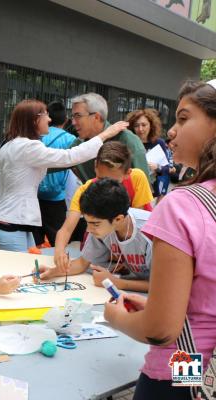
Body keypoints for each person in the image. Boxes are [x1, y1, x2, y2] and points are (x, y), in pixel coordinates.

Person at [104, 80, 216, 398]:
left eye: (183, 118)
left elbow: (161, 329)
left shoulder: (184, 204)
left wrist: (117, 318)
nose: (171, 132)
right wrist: (157, 305)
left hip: (187, 367)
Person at [0, 99, 128, 253]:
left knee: (25, 267)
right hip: (12, 223)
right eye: (46, 115)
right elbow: (69, 157)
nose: (49, 119)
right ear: (35, 120)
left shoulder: (10, 145)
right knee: (20, 272)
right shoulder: (28, 147)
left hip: (9, 221)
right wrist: (106, 134)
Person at [53, 142, 154, 271]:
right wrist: (59, 253)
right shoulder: (87, 190)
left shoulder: (137, 177)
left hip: (135, 251)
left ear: (127, 173)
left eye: (113, 181)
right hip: (105, 245)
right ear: (95, 167)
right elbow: (67, 229)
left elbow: (133, 223)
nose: (105, 186)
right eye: (101, 179)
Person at [39, 179, 152, 293]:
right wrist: (52, 272)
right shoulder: (103, 226)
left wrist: (118, 282)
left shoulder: (151, 233)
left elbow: (164, 286)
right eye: (87, 222)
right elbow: (82, 263)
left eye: (95, 224)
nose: (88, 229)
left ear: (118, 219)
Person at [69, 93, 150, 182]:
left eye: (78, 116)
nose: (73, 122)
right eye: (73, 117)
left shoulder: (126, 139)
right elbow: (57, 163)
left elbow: (143, 186)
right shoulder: (77, 145)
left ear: (96, 117)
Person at [33, 100, 76, 247]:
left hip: (35, 194)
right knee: (58, 239)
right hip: (56, 198)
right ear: (66, 120)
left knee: (36, 240)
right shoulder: (70, 140)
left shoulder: (37, 136)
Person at [126, 108, 174, 201]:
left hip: (152, 191)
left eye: (144, 125)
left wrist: (157, 167)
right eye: (136, 125)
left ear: (151, 125)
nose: (140, 129)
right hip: (132, 188)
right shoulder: (129, 142)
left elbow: (169, 168)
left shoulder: (159, 143)